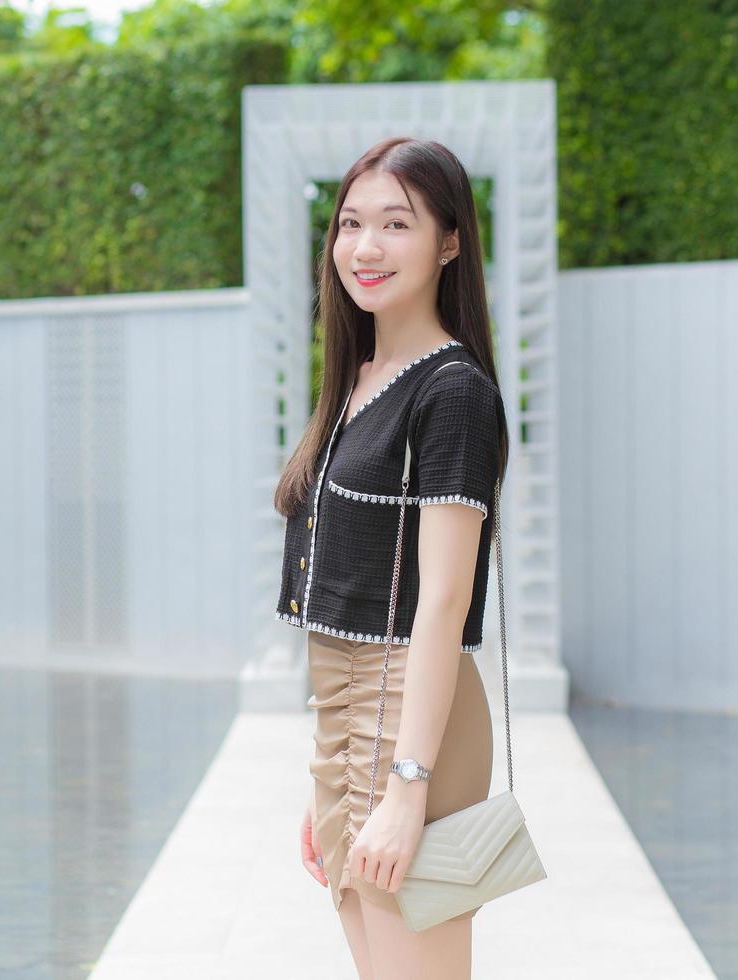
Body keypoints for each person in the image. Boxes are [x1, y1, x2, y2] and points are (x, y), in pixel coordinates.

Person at [274, 136, 509, 980]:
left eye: (396, 224)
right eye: (349, 224)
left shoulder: (453, 394)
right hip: (346, 714)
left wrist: (406, 789)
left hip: (413, 715)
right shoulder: (360, 375)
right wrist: (327, 778)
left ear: (450, 242)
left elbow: (443, 601)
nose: (364, 248)